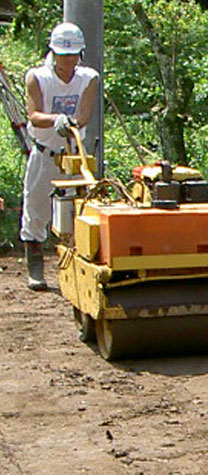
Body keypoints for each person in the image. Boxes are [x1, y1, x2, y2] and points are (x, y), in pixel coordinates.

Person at [20, 21, 98, 291]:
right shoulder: (37, 78)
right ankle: (36, 267)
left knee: (81, 209)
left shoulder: (88, 78)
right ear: (53, 52)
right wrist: (56, 119)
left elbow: (85, 114)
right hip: (45, 153)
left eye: (73, 54)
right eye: (63, 54)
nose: (68, 60)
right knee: (36, 208)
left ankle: (79, 262)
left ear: (81, 54)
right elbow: (33, 115)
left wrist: (72, 123)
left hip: (75, 154)